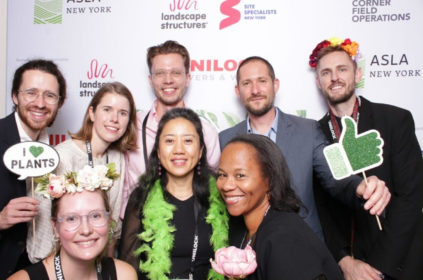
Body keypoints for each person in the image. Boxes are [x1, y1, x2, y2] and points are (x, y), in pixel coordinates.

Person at [219, 56, 391, 241]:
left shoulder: (308, 130)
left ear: (275, 85)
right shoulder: (225, 139)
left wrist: (359, 186)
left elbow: (336, 174)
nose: (255, 90)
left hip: (302, 245)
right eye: (247, 83)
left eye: (262, 81)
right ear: (238, 91)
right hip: (247, 249)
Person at [310, 37, 423, 280]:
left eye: (342, 69)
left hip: (399, 263)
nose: (334, 78)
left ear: (357, 74)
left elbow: (411, 198)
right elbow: (323, 210)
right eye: (326, 72)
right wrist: (345, 262)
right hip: (350, 268)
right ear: (319, 82)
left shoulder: (395, 120)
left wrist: (379, 267)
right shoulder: (315, 134)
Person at [28, 81, 138, 262]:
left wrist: (108, 269)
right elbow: (46, 229)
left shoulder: (117, 157)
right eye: (107, 109)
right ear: (92, 113)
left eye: (123, 113)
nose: (115, 119)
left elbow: (112, 223)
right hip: (57, 262)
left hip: (95, 261)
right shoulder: (63, 157)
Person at [119, 108, 228, 280]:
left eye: (188, 141)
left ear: (200, 151)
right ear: (158, 151)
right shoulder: (141, 198)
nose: (179, 150)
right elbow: (127, 265)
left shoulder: (221, 196)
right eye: (169, 141)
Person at [217, 134, 343, 280]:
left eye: (240, 175)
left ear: (269, 179)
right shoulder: (242, 228)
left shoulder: (284, 237)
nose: (226, 185)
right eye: (222, 175)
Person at [122, 40, 221, 218]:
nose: (168, 80)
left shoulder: (206, 133)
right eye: (160, 73)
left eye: (176, 73)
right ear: (150, 80)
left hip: (193, 226)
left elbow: (214, 190)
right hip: (138, 228)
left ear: (187, 78)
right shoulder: (131, 127)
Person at [8, 165, 137, 279]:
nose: (86, 230)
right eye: (71, 219)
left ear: (109, 221)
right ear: (55, 227)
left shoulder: (124, 275)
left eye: (95, 216)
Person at [0, 59, 67, 279]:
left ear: (59, 103)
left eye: (49, 95)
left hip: (36, 269)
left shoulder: (54, 154)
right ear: (15, 96)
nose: (40, 103)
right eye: (31, 93)